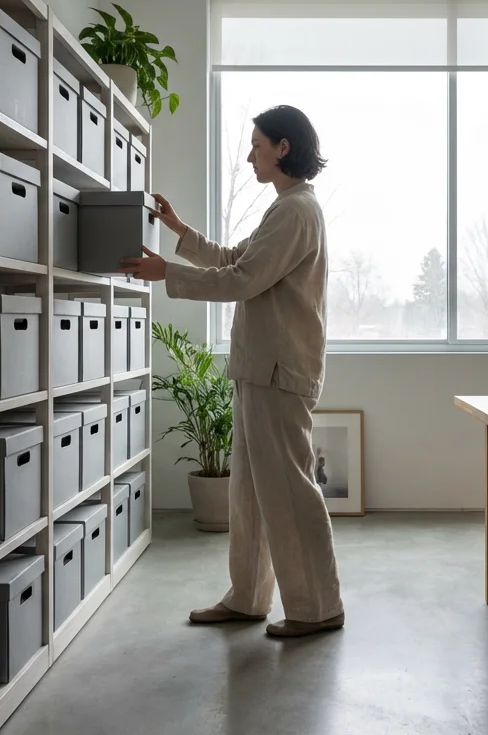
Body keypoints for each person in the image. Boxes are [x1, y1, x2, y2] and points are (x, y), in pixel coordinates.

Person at [119, 105, 345, 639]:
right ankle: (247, 597)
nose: (250, 155)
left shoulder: (296, 212)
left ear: (283, 148)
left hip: (279, 370)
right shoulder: (286, 209)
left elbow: (240, 279)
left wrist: (165, 272)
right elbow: (231, 259)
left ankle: (318, 607)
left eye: (257, 144)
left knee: (289, 491)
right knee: (250, 496)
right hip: (260, 368)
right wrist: (177, 230)